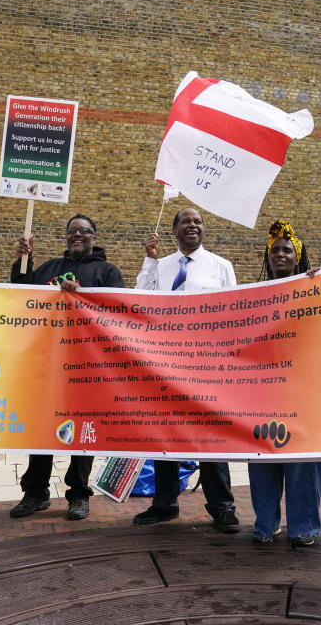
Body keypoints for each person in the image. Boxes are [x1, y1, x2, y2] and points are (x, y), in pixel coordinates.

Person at [9, 214, 125, 521]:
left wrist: (83, 296)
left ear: (94, 238)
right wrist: (24, 260)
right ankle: (35, 492)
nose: (77, 234)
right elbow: (21, 294)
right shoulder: (49, 269)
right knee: (41, 431)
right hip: (48, 365)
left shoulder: (107, 272)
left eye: (84, 231)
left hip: (87, 368)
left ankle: (78, 494)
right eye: (72, 231)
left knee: (82, 435)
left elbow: (117, 311)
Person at [133, 206, 240, 533]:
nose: (192, 226)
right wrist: (150, 260)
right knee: (166, 437)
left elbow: (234, 317)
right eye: (185, 222)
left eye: (197, 222)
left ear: (203, 229)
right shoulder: (160, 266)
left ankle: (221, 507)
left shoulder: (221, 267)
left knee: (209, 440)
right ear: (174, 230)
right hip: (166, 366)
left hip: (206, 368)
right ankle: (164, 505)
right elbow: (139, 300)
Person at [248, 219, 321, 546]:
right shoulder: (250, 295)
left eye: (287, 250)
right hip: (262, 392)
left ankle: (304, 527)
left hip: (302, 393)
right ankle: (266, 523)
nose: (280, 254)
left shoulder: (315, 288)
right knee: (262, 458)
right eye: (275, 250)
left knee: (302, 461)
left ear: (298, 257)